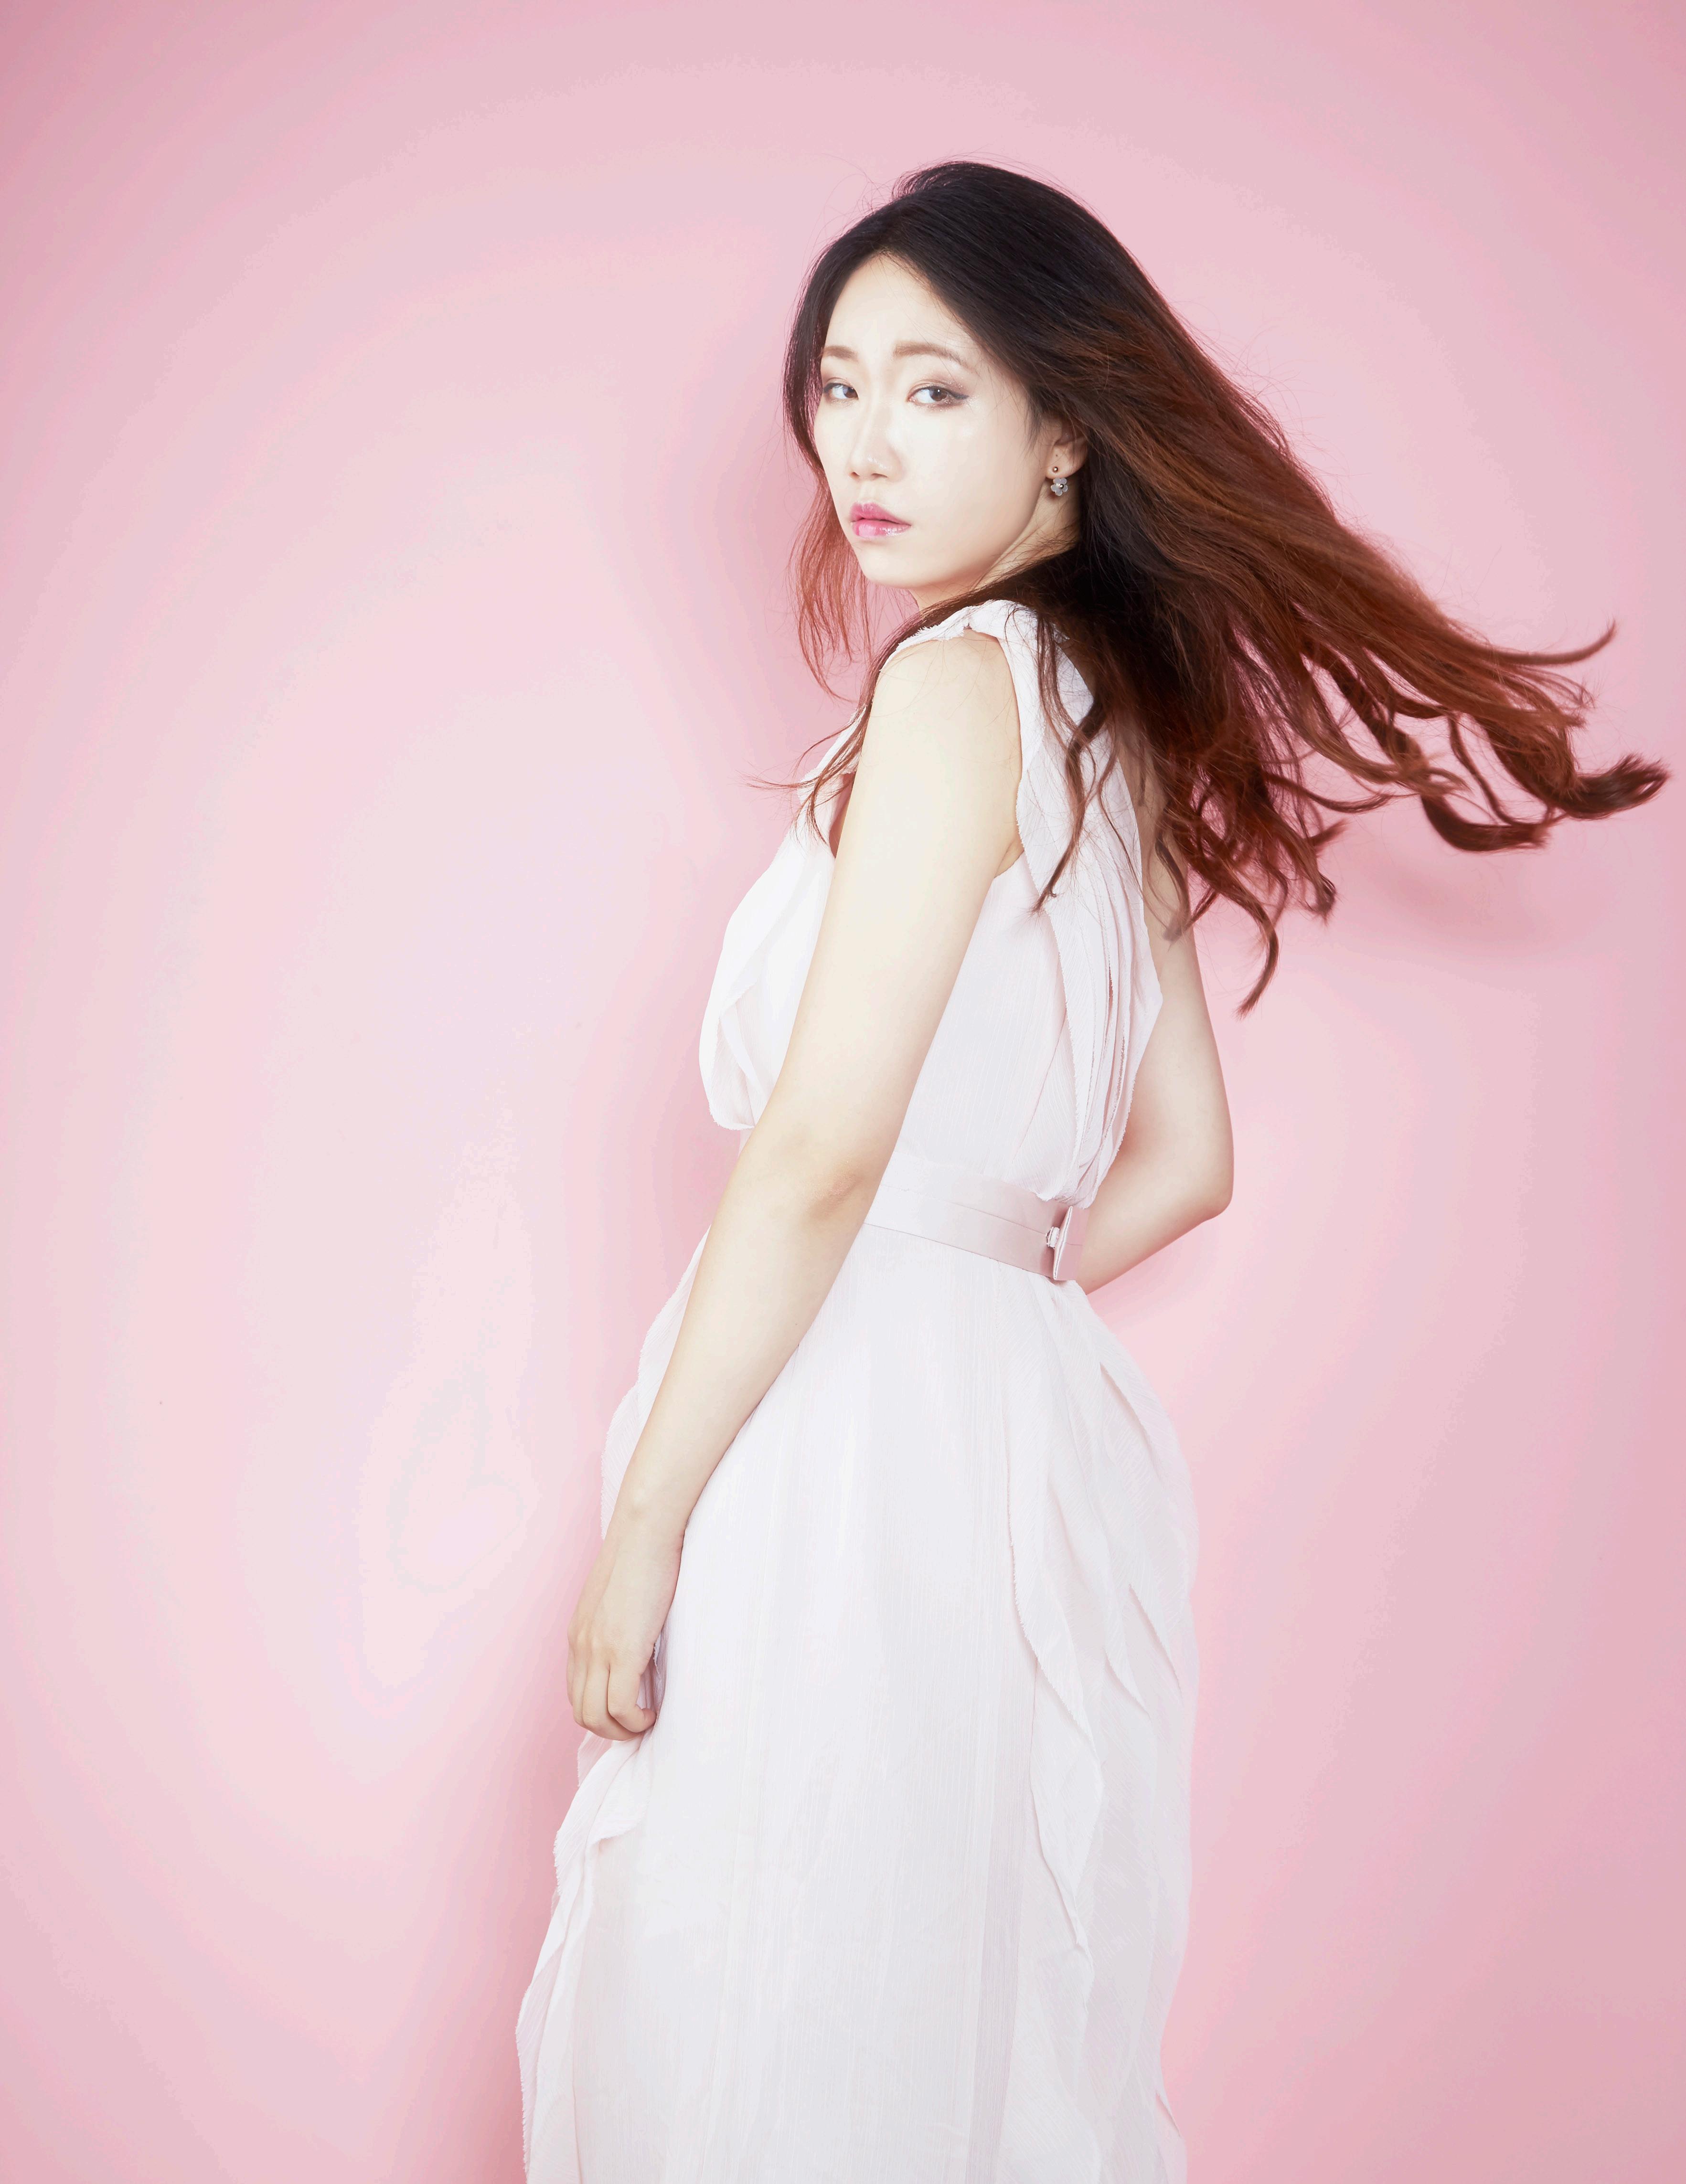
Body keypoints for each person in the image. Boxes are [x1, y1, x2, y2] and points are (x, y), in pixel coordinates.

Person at [516, 161, 1664, 2181]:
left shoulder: (957, 685)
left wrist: (647, 1522)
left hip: (833, 1408)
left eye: (932, 390)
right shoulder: (1102, 722)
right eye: (840, 386)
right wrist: (985, 1296)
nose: (863, 444)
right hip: (1010, 1426)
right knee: (935, 1991)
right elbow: (1187, 1159)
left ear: (1062, 428)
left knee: (767, 1988)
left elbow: (815, 1151)